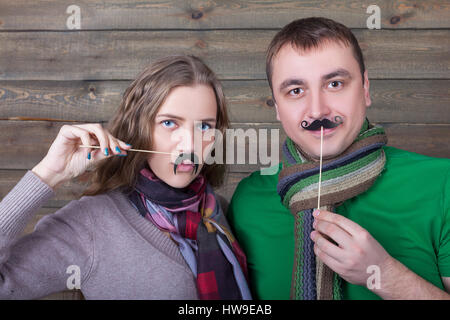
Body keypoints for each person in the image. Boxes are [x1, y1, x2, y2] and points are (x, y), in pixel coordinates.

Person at [227, 17, 450, 300]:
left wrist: (385, 273)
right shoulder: (248, 201)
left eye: (334, 84)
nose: (318, 110)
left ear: (365, 89)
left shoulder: (443, 184)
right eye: (296, 91)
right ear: (277, 107)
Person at [0, 55, 251, 300]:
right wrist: (48, 174)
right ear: (138, 128)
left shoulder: (217, 210)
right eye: (169, 123)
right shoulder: (91, 224)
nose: (190, 145)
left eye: (204, 126)